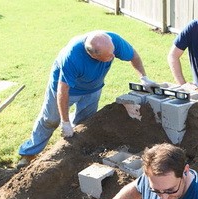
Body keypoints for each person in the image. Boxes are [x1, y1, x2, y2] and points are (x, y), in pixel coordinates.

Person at [16, 31, 156, 168]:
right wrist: (64, 122)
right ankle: (29, 153)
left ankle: (74, 154)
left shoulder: (112, 41)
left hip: (93, 87)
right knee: (50, 120)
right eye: (109, 56)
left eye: (113, 52)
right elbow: (62, 91)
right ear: (93, 55)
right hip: (67, 89)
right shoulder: (72, 57)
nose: (113, 56)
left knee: (83, 122)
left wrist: (143, 78)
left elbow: (133, 55)